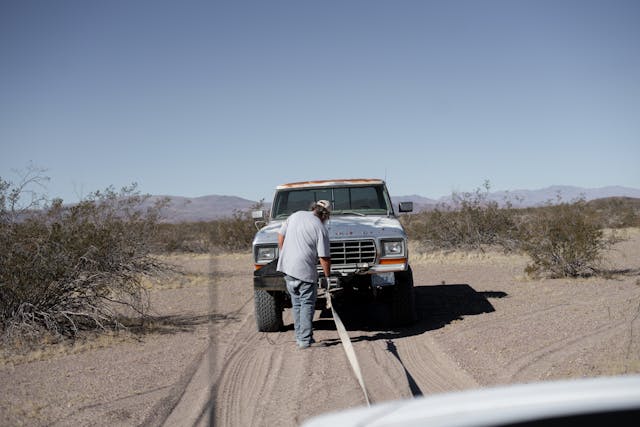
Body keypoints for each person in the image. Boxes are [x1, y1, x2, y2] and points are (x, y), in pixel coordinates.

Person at [277, 200, 332, 349]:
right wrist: (327, 277)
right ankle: (305, 340)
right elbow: (324, 257)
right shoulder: (320, 227)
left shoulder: (295, 215)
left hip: (288, 268)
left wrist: (285, 254)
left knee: (297, 304)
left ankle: (300, 337)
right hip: (304, 271)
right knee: (307, 304)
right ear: (325, 214)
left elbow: (280, 235)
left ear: (313, 208)